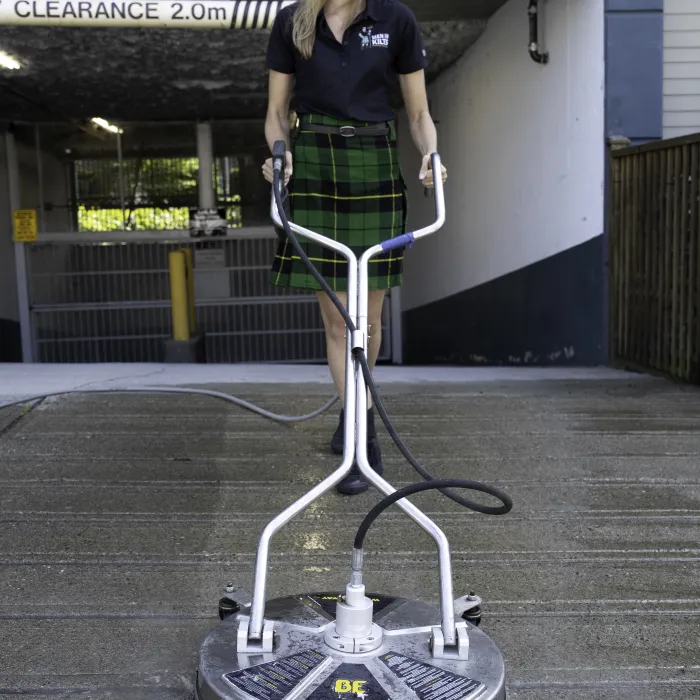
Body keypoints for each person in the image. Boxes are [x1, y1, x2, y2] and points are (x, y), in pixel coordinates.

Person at [261, 0, 447, 495]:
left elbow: (420, 113)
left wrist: (431, 156)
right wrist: (280, 157)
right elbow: (278, 114)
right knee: (339, 323)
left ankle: (353, 416)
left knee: (370, 320)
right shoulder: (291, 21)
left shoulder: (396, 20)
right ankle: (363, 438)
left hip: (376, 160)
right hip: (316, 163)